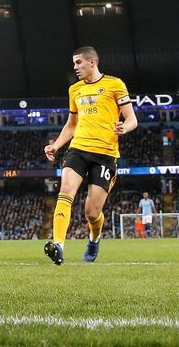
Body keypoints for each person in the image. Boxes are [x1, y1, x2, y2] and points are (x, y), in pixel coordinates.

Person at [43, 46, 137, 265]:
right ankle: (58, 244)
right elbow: (71, 124)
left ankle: (94, 238)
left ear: (92, 62)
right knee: (66, 191)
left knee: (92, 213)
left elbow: (132, 119)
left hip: (105, 155)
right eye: (74, 63)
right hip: (78, 149)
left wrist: (125, 127)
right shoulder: (74, 89)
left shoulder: (115, 84)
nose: (75, 67)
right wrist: (56, 145)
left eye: (78, 62)